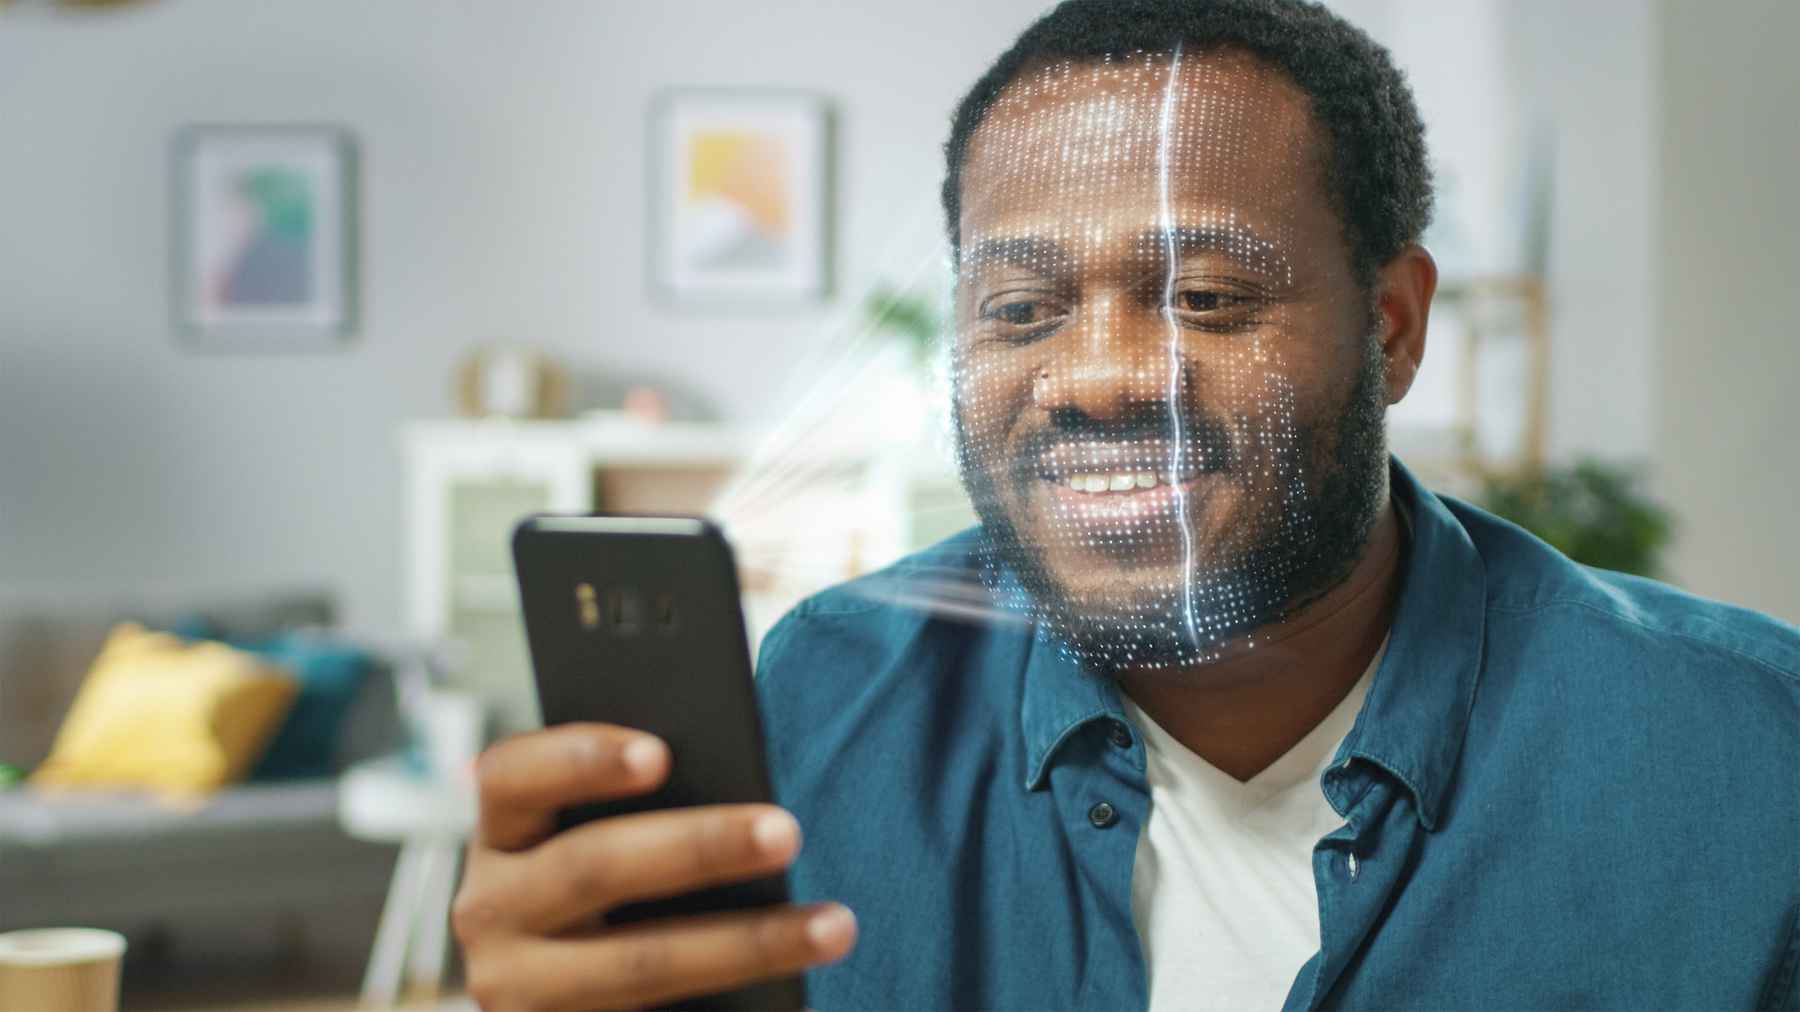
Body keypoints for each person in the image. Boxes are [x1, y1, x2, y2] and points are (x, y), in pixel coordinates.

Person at [452, 1, 1800, 1008]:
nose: (1095, 379)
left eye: (1209, 297)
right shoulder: (828, 698)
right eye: (1022, 311)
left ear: (1390, 327)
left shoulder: (1752, 759)